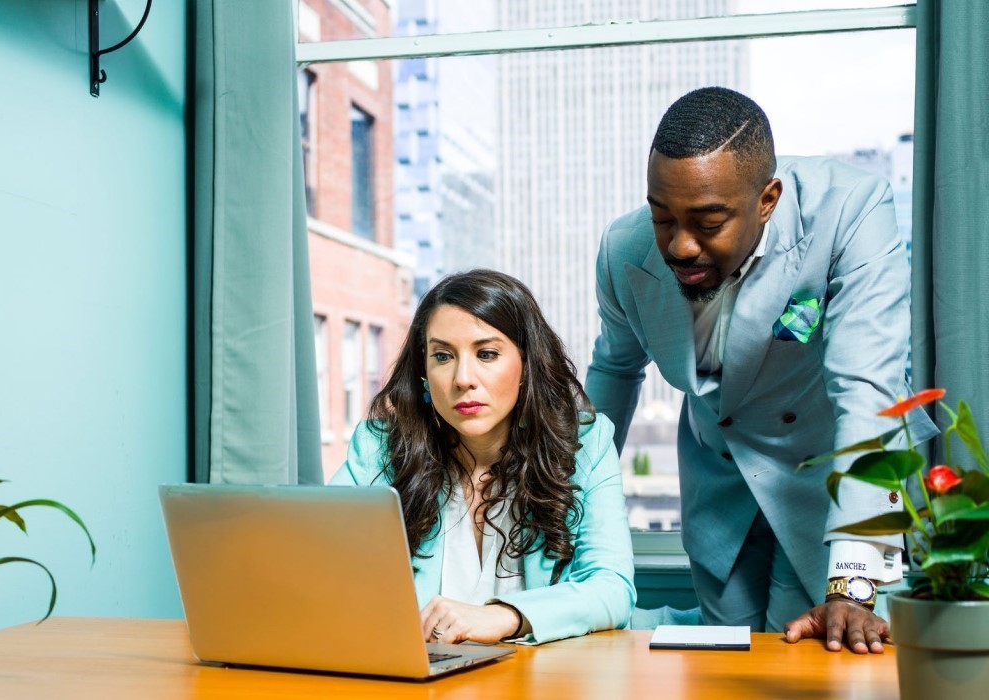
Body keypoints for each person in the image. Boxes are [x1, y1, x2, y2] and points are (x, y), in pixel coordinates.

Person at [586, 86, 937, 653]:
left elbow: (867, 392)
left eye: (707, 222)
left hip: (838, 480)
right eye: (662, 216)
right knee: (728, 670)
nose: (679, 245)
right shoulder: (622, 250)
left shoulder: (851, 209)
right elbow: (615, 374)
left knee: (837, 666)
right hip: (721, 484)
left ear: (767, 199)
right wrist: (561, 502)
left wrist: (852, 583)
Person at [331, 269, 635, 645]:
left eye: (486, 354)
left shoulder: (585, 443)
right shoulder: (380, 450)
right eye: (442, 356)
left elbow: (612, 588)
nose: (463, 378)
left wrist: (507, 616)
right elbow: (319, 564)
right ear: (423, 372)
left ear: (527, 364)